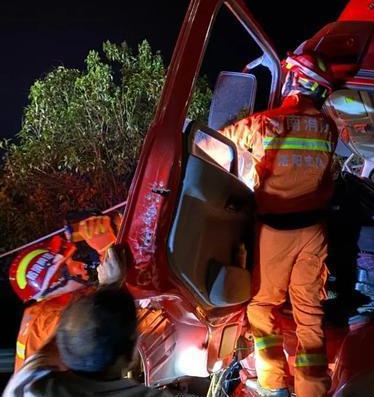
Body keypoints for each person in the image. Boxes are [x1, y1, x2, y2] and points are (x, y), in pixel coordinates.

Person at [202, 51, 337, 397]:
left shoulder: (267, 124)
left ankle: (276, 386)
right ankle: (313, 391)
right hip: (315, 233)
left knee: (263, 308)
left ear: (294, 81)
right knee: (309, 312)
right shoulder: (328, 128)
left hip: (278, 231)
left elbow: (210, 146)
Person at [4, 288, 170, 397]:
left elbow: (75, 331)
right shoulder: (27, 385)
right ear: (131, 349)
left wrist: (109, 287)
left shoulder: (30, 387)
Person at [11, 212, 123, 371]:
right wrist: (107, 251)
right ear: (54, 281)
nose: (80, 265)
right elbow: (100, 331)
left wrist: (110, 248)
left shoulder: (59, 305)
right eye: (69, 266)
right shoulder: (47, 320)